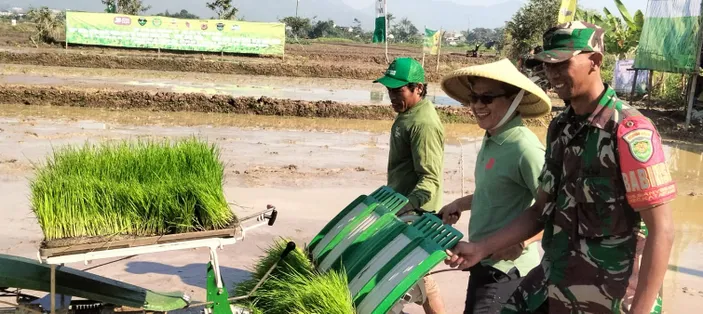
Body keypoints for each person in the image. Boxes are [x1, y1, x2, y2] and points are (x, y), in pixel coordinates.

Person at [444, 22, 677, 314]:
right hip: (554, 284)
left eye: (562, 63)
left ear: (595, 61)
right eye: (546, 64)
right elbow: (539, 211)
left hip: (609, 297)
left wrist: (641, 310)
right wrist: (482, 248)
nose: (552, 73)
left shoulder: (629, 132)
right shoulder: (561, 127)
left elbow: (662, 230)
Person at [438, 58, 552, 313]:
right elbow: (495, 191)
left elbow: (555, 211)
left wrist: (521, 243)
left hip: (508, 271)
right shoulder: (493, 138)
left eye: (487, 98)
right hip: (481, 258)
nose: (478, 106)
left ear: (514, 100)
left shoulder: (525, 148)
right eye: (474, 98)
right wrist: (459, 204)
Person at [373, 57, 446, 314]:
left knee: (413, 274)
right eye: (390, 90)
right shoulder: (408, 114)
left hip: (416, 212)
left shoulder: (422, 123)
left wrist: (405, 207)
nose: (392, 96)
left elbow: (430, 177)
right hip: (403, 206)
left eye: (398, 90)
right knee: (417, 275)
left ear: (419, 88)